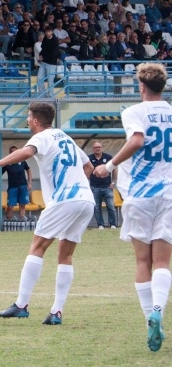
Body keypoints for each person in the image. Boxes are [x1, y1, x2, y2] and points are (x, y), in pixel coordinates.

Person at [0, 102, 95, 325]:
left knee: (37, 247)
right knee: (65, 255)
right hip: (85, 200)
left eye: (28, 117)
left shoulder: (42, 137)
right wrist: (77, 186)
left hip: (65, 200)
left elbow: (27, 153)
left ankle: (21, 305)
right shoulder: (66, 137)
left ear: (36, 120)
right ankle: (56, 312)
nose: (27, 120)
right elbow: (89, 168)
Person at [93, 63, 172, 351]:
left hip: (140, 194)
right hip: (169, 193)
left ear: (141, 86)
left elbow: (137, 139)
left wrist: (109, 165)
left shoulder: (134, 111)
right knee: (163, 262)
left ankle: (149, 320)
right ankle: (159, 311)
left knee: (143, 261)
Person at [88, 142, 118, 229]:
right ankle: (100, 225)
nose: (98, 149)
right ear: (93, 149)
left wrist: (113, 183)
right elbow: (86, 170)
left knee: (111, 206)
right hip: (94, 186)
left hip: (107, 186)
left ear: (102, 148)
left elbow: (114, 170)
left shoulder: (108, 157)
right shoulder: (89, 158)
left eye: (99, 147)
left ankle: (113, 224)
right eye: (96, 147)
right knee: (97, 207)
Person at [2, 145, 33, 221]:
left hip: (23, 186)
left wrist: (29, 183)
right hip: (12, 187)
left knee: (22, 205)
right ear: (9, 153)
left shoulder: (22, 161)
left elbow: (28, 170)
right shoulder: (7, 162)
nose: (13, 153)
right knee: (10, 206)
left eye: (15, 152)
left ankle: (21, 222)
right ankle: (9, 222)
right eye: (12, 152)